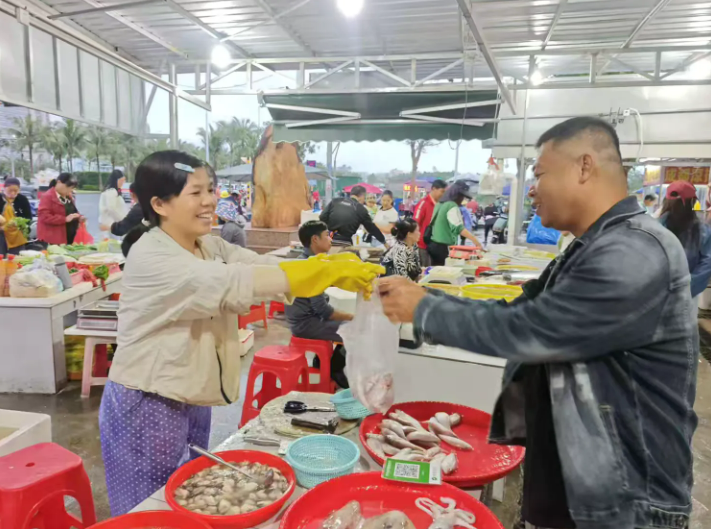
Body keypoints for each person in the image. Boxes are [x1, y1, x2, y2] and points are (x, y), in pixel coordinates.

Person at [380, 117, 697, 529]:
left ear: (584, 167)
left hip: (625, 504)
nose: (532, 189)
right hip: (577, 487)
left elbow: (535, 329)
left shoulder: (636, 250)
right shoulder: (591, 246)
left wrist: (425, 310)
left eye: (540, 174)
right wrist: (423, 297)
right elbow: (519, 308)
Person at [99, 151, 383, 516]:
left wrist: (323, 263)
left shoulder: (207, 245)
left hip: (191, 390)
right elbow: (236, 281)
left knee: (188, 493)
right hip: (149, 399)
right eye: (196, 192)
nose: (209, 201)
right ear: (159, 204)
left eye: (211, 190)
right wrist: (323, 273)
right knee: (148, 508)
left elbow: (260, 265)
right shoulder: (153, 256)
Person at [285, 220, 354, 388]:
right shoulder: (311, 267)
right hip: (306, 324)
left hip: (307, 319)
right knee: (358, 330)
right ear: (315, 239)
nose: (330, 239)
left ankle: (321, 360)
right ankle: (335, 368)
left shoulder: (308, 260)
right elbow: (324, 311)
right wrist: (353, 317)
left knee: (349, 321)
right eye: (326, 236)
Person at [659, 180, 711, 300]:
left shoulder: (653, 227)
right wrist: (687, 287)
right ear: (693, 202)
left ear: (666, 201)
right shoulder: (702, 231)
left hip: (655, 295)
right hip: (686, 297)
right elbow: (707, 263)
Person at [427, 180, 483, 266]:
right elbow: (458, 228)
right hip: (443, 247)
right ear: (457, 195)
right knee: (445, 271)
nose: (462, 199)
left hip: (433, 245)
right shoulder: (451, 205)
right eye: (462, 196)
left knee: (436, 271)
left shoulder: (439, 204)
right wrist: (476, 242)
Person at [320, 185, 385, 246]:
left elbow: (322, 217)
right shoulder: (360, 208)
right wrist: (384, 242)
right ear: (362, 196)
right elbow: (371, 228)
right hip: (345, 242)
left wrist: (331, 230)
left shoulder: (335, 201)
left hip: (328, 240)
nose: (364, 201)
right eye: (364, 198)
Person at [37, 173, 83, 245]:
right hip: (54, 238)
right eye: (68, 187)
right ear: (59, 182)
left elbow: (72, 211)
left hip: (70, 237)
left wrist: (79, 217)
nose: (70, 190)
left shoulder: (69, 197)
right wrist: (64, 219)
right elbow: (44, 216)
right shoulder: (47, 197)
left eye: (72, 188)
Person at [414, 179, 447, 268]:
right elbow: (415, 223)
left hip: (438, 246)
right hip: (423, 246)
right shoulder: (423, 203)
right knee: (425, 271)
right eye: (442, 191)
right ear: (433, 189)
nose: (443, 194)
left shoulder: (441, 205)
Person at [0, 177, 33, 255]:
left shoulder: (22, 199)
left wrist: (21, 224)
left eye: (16, 191)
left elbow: (28, 217)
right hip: (2, 235)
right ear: (4, 188)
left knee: (16, 258)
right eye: (10, 190)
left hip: (18, 236)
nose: (13, 193)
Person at [99, 170, 127, 238]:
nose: (123, 183)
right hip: (111, 225)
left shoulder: (112, 191)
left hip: (112, 225)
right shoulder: (111, 192)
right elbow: (112, 209)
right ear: (116, 180)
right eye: (121, 180)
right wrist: (124, 221)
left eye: (124, 180)